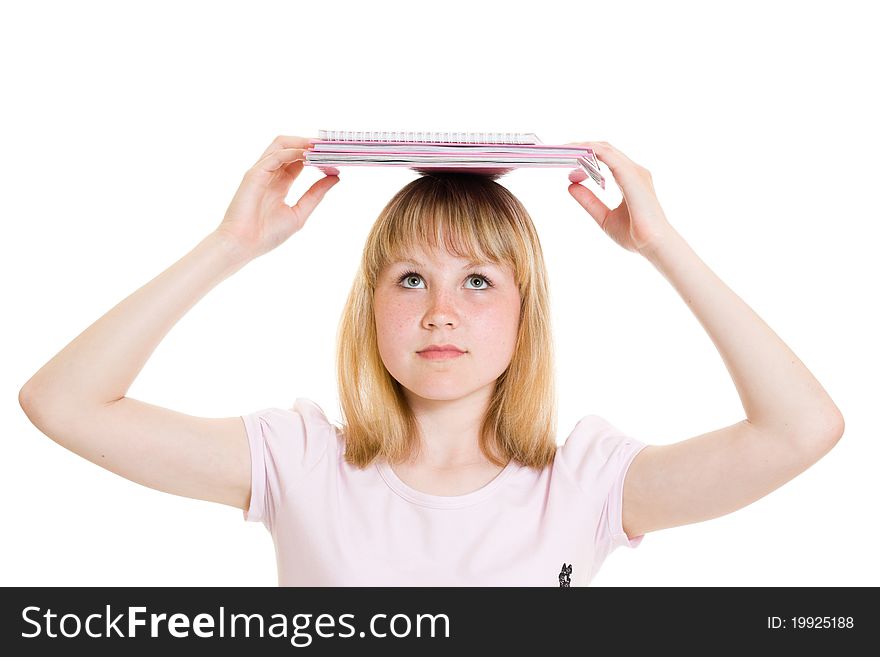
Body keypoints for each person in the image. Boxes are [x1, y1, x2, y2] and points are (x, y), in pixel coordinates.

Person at [18, 135, 845, 587]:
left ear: (527, 315)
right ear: (371, 305)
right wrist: (231, 245)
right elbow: (63, 402)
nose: (441, 310)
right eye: (411, 277)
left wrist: (662, 246)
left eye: (478, 280)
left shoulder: (588, 484)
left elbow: (803, 429)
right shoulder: (298, 461)